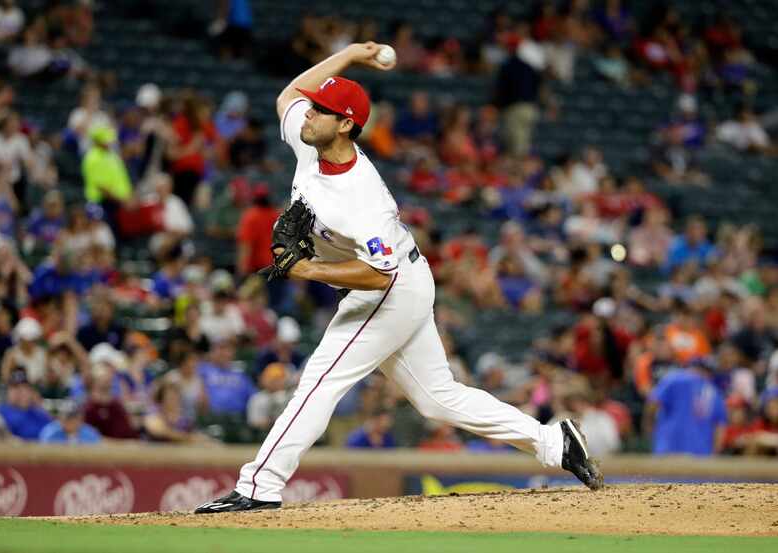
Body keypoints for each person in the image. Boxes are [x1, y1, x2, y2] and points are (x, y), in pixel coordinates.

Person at [195, 42, 602, 514]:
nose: (307, 116)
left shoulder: (362, 197)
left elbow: (378, 276)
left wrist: (307, 268)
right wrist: (348, 55)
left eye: (321, 111)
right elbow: (289, 94)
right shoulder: (312, 145)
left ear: (345, 124)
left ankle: (259, 486)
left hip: (391, 290)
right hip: (401, 278)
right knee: (437, 400)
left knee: (322, 378)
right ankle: (555, 443)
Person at [646, 357, 727, 456]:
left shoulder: (674, 379)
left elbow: (652, 405)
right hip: (701, 456)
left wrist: (650, 431)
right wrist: (714, 454)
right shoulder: (715, 392)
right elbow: (720, 429)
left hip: (668, 449)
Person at [0, 370, 53, 441]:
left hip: (41, 450)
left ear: (31, 391)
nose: (21, 392)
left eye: (25, 388)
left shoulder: (39, 413)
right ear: (8, 391)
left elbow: (53, 433)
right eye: (15, 387)